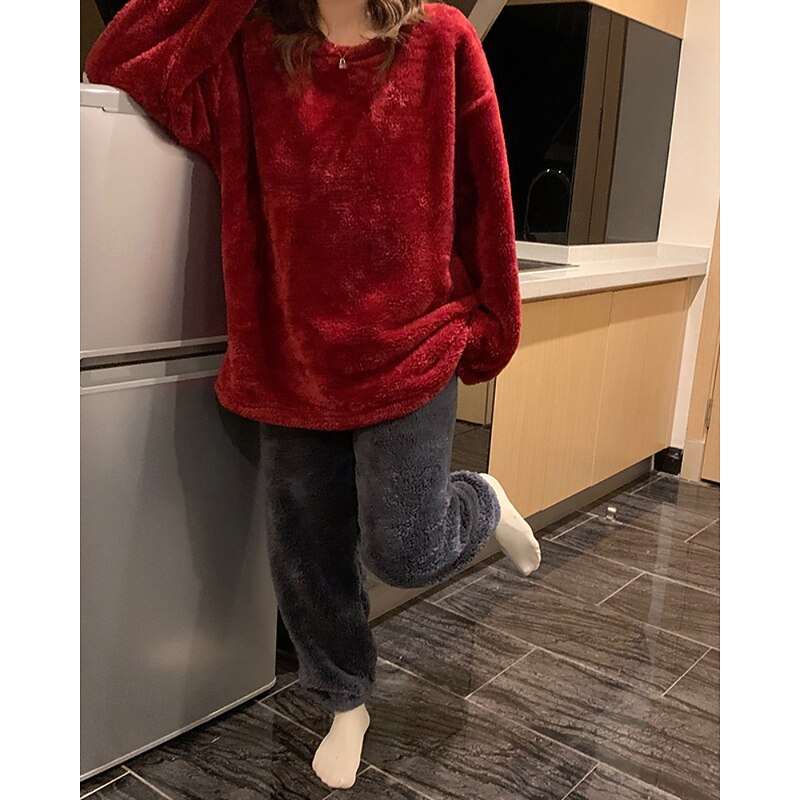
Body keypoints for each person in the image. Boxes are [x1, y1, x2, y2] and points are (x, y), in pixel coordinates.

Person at [85, 0, 541, 790]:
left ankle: (480, 502)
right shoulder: (253, 46)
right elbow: (121, 60)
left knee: (407, 547)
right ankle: (345, 700)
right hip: (290, 356)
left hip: (412, 344)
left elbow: (486, 191)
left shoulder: (442, 40)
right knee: (305, 560)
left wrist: (495, 319)